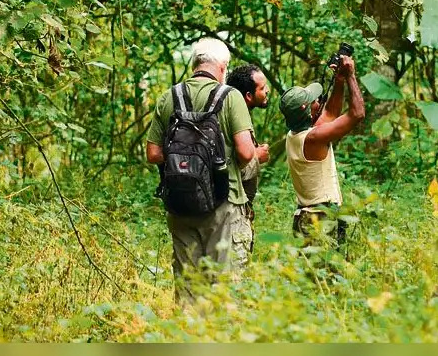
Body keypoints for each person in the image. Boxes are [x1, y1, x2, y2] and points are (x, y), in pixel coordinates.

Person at [145, 37, 256, 304]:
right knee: (222, 286)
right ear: (223, 66)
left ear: (195, 64)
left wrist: (185, 164)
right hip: (223, 202)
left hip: (180, 203)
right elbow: (245, 152)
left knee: (188, 288)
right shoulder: (231, 97)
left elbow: (153, 154)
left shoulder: (169, 97)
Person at [278, 54, 365, 250]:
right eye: (314, 101)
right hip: (321, 219)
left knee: (311, 278)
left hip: (306, 218)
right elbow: (357, 113)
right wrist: (351, 75)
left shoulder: (295, 134)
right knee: (328, 275)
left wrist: (340, 81)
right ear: (306, 110)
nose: (318, 101)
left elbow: (330, 114)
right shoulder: (313, 138)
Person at [226, 64, 272, 250]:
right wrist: (257, 157)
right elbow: (235, 170)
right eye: (262, 88)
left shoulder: (239, 114)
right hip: (232, 211)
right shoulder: (234, 118)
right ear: (248, 96)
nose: (267, 90)